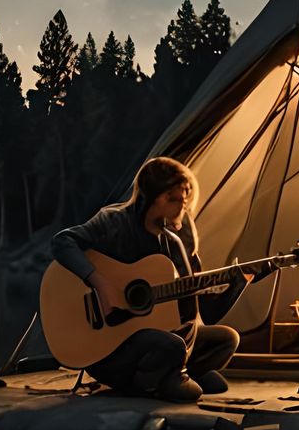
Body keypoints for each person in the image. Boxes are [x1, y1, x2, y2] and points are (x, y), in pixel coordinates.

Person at [51, 156, 247, 404]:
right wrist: (101, 283)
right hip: (111, 349)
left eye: (184, 200)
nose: (182, 208)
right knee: (172, 348)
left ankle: (172, 374)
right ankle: (155, 381)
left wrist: (239, 282)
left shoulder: (172, 244)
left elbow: (194, 309)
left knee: (227, 339)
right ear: (156, 197)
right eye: (175, 200)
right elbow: (62, 242)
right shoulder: (114, 221)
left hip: (157, 340)